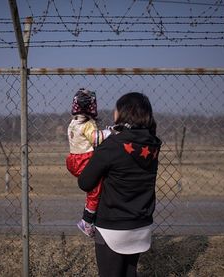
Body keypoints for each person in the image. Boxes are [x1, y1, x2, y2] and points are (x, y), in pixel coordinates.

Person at [78, 92, 162, 276]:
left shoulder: (112, 144)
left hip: (112, 228)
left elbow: (85, 182)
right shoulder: (153, 144)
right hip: (141, 224)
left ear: (124, 113)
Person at [66, 88, 111, 237]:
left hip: (73, 160)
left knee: (92, 188)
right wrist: (110, 132)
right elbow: (95, 139)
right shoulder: (88, 123)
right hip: (84, 159)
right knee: (95, 190)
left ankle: (90, 214)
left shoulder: (73, 122)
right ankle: (87, 221)